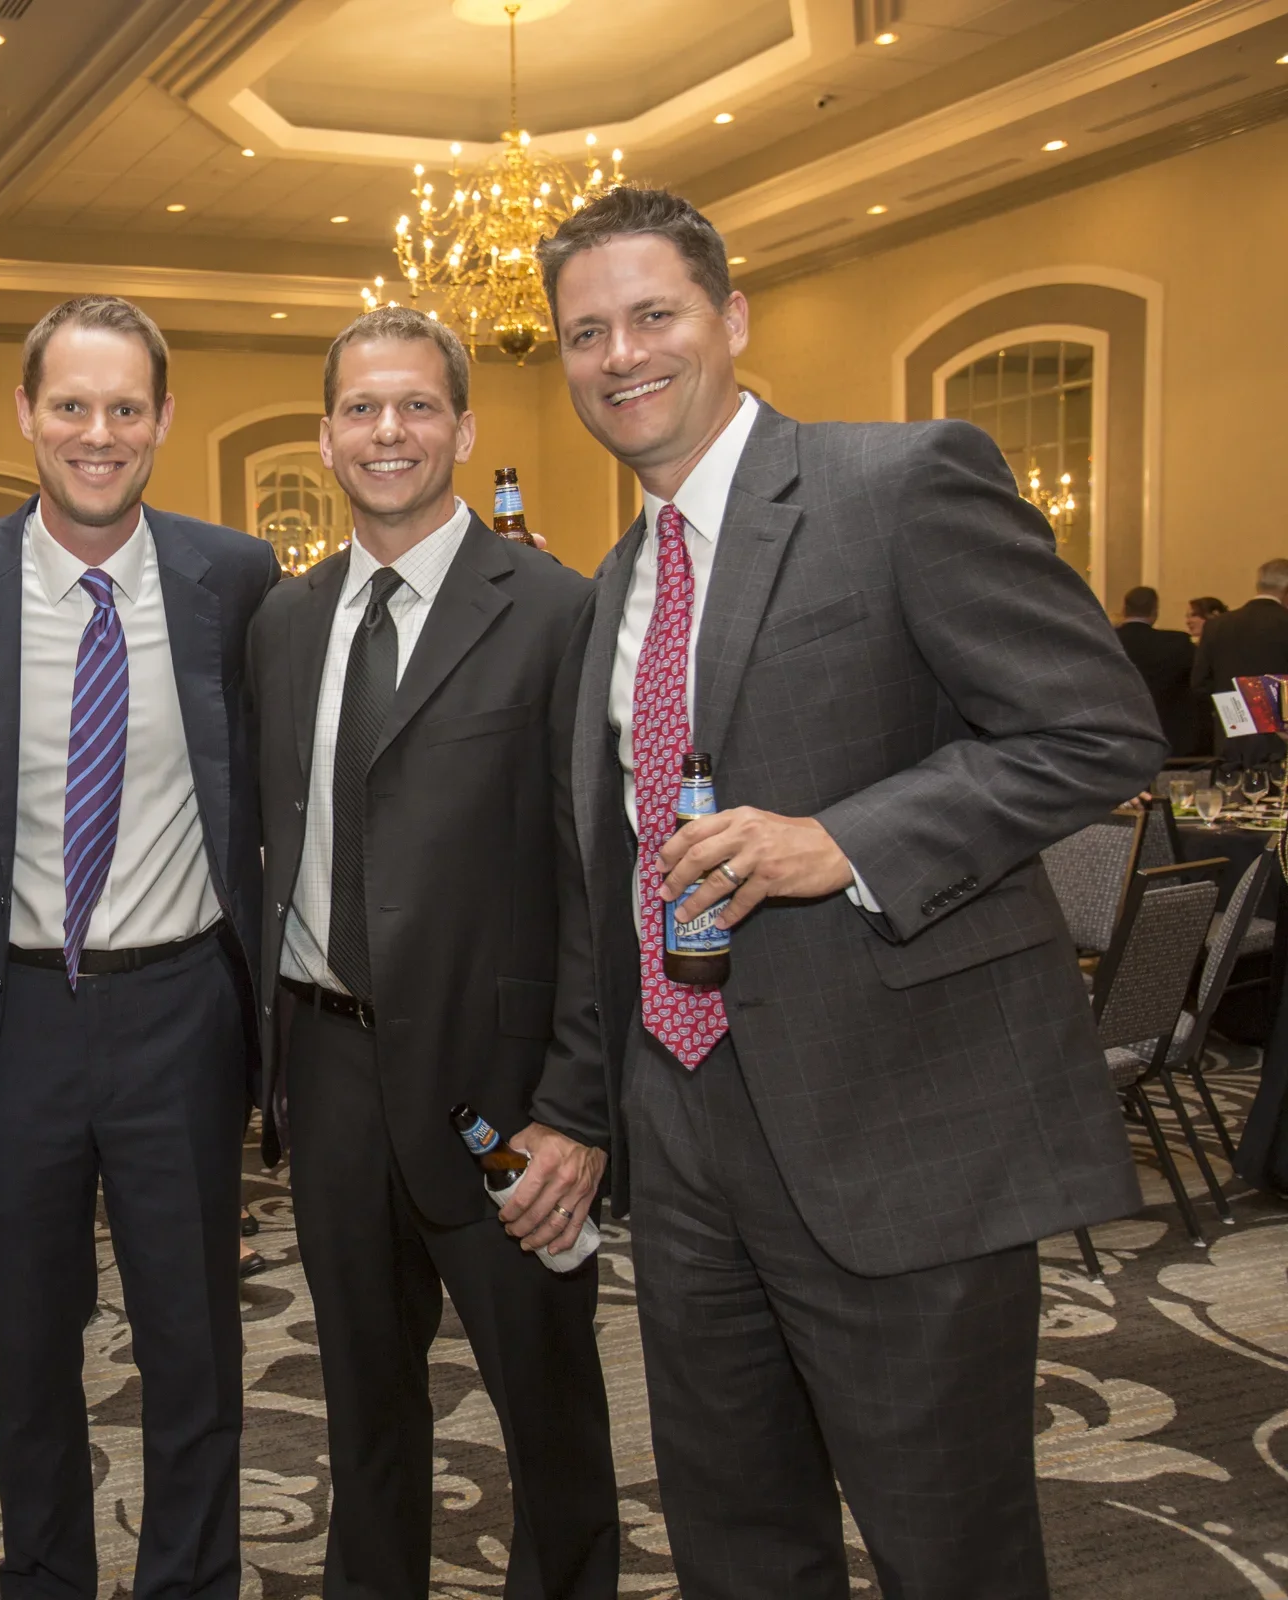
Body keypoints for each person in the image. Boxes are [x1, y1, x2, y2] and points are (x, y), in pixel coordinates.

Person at [541, 187, 1158, 1600]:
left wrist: (850, 842)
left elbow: (1096, 733)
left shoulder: (900, 481)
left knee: (949, 1549)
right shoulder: (616, 584)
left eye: (654, 315)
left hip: (900, 1126)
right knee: (736, 1540)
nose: (621, 355)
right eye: (587, 333)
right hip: (685, 1130)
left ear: (731, 319)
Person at [0, 295, 276, 1600]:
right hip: (18, 1025)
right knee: (28, 1350)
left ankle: (192, 1582)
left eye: (124, 408)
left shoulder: (235, 580)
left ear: (162, 420)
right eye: (71, 406)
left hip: (181, 1012)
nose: (97, 434)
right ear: (26, 417)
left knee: (195, 1345)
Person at [247, 304, 619, 1599]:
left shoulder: (556, 610)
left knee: (545, 1403)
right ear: (327, 434)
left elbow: (598, 882)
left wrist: (577, 1105)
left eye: (416, 406)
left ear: (463, 426)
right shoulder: (286, 626)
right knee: (362, 1411)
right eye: (361, 408)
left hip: (495, 1091)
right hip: (334, 1071)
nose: (388, 431)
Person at [1191, 561, 1288, 762]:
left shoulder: (1217, 626)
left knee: (1232, 791)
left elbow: (1200, 684)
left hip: (1231, 740)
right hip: (1282, 744)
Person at [1115, 585, 1204, 755]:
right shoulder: (1178, 644)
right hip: (1167, 734)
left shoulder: (1107, 641)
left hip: (1117, 734)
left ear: (1124, 609)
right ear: (1155, 611)